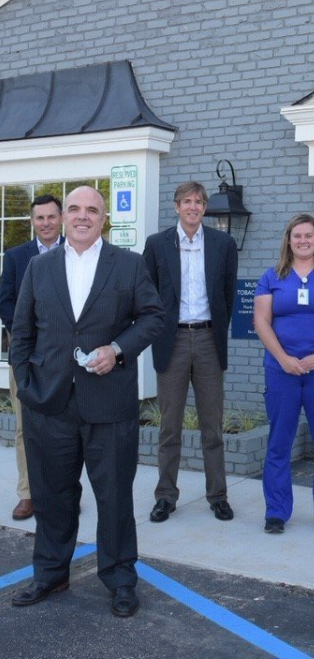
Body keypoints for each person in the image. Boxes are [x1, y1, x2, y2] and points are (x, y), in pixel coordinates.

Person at [10, 186, 164, 617]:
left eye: (91, 210)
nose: (81, 216)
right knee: (52, 494)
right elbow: (21, 332)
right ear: (63, 218)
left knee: (114, 496)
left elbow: (153, 317)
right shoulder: (39, 268)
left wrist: (116, 349)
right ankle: (50, 573)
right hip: (50, 402)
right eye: (73, 209)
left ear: (103, 219)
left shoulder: (129, 265)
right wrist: (26, 384)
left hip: (109, 404)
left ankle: (119, 578)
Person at [143, 181, 238, 524]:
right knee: (170, 427)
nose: (193, 207)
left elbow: (226, 295)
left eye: (199, 202)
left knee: (212, 427)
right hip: (174, 341)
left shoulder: (223, 244)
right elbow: (147, 295)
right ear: (176, 206)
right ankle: (165, 496)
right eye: (187, 201)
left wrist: (217, 330)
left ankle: (218, 496)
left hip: (209, 340)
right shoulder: (156, 245)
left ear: (205, 207)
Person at [253, 214, 314, 535]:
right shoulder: (272, 277)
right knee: (280, 441)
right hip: (281, 371)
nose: (303, 241)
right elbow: (261, 322)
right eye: (297, 236)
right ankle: (276, 512)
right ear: (288, 240)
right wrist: (284, 359)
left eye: (308, 235)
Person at [0, 193, 64, 521]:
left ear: (61, 218)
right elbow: (6, 302)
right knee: (26, 426)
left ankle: (62, 492)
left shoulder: (77, 253)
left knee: (65, 427)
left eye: (51, 217)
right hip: (25, 355)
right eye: (39, 218)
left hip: (66, 356)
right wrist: (27, 335)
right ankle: (28, 494)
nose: (46, 223)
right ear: (32, 221)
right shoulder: (15, 257)